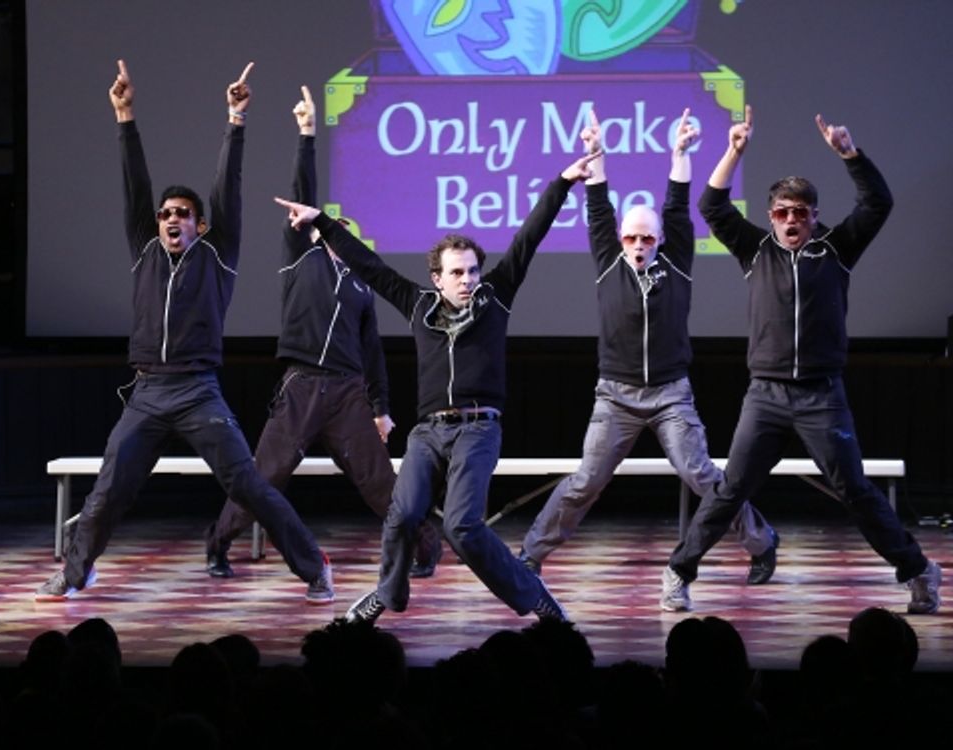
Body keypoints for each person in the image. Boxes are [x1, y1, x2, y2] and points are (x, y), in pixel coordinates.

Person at [35, 60, 335, 605]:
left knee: (247, 485)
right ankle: (77, 572)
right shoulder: (145, 250)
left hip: (198, 390)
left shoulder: (218, 255)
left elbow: (228, 189)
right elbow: (135, 184)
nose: (172, 219)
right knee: (107, 491)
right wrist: (125, 115)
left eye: (185, 214)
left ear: (200, 224)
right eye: (166, 214)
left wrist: (235, 120)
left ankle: (315, 568)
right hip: (148, 392)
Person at [274, 149, 603, 624]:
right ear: (437, 278)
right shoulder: (415, 303)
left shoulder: (496, 299)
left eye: (472, 270)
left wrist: (564, 181)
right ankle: (387, 595)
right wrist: (322, 222)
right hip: (428, 432)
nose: (467, 279)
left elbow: (529, 236)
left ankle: (534, 598)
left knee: (463, 527)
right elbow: (369, 266)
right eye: (457, 272)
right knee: (402, 513)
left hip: (477, 428)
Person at [661, 105, 941, 613]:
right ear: (771, 217)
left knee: (854, 491)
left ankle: (919, 570)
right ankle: (679, 573)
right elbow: (712, 206)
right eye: (783, 212)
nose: (792, 220)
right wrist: (734, 150)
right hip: (765, 396)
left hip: (821, 395)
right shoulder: (756, 250)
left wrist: (849, 154)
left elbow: (878, 202)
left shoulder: (837, 248)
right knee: (729, 490)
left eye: (802, 212)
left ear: (814, 216)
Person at [517, 108, 779, 585]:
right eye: (630, 237)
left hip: (669, 395)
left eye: (646, 238)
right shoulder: (607, 261)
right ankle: (531, 555)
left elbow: (677, 205)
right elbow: (597, 203)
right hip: (614, 396)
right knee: (584, 483)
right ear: (620, 240)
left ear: (659, 241)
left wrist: (680, 153)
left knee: (702, 475)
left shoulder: (676, 261)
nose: (638, 244)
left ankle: (763, 543)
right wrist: (594, 151)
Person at [203, 85, 442, 579]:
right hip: (302, 387)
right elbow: (303, 198)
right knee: (264, 475)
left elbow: (373, 350)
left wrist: (380, 408)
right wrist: (307, 134)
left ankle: (426, 545)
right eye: (333, 229)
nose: (341, 237)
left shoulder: (360, 286)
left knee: (378, 482)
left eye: (348, 232)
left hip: (349, 391)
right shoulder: (300, 258)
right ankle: (217, 546)